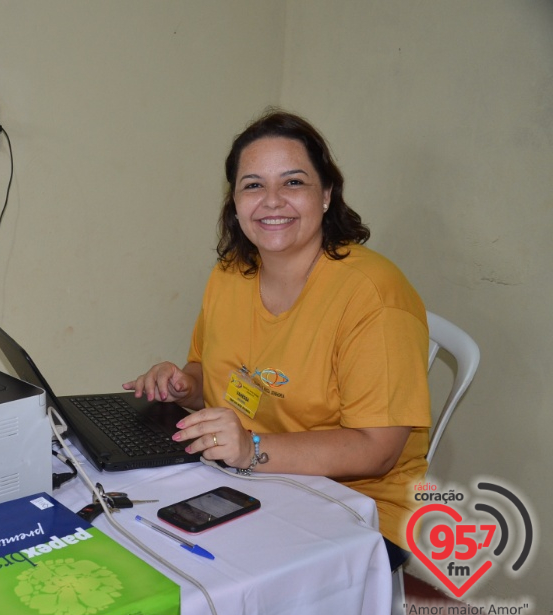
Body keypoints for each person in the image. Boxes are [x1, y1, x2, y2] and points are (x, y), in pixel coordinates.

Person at [123, 109, 430, 569]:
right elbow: (214, 378)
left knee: (207, 570)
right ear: (235, 201)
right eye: (253, 185)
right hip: (255, 479)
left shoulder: (374, 296)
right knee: (138, 536)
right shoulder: (229, 274)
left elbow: (378, 449)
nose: (271, 201)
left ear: (326, 194)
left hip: (360, 506)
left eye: (293, 182)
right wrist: (184, 385)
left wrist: (253, 450)